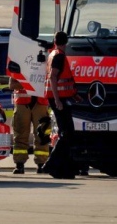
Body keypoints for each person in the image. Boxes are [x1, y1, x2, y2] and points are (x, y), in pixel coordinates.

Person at [42, 31, 79, 179]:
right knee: (67, 133)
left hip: (61, 98)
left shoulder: (52, 54)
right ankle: (51, 164)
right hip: (59, 100)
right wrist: (57, 100)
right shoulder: (59, 56)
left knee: (67, 133)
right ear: (66, 42)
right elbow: (54, 77)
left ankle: (62, 168)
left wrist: (74, 95)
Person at [8, 72, 49, 174]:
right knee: (20, 135)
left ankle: (42, 164)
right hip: (22, 103)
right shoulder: (18, 64)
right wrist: (31, 82)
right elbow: (12, 85)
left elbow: (50, 81)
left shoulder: (45, 63)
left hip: (40, 103)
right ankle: (19, 164)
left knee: (42, 135)